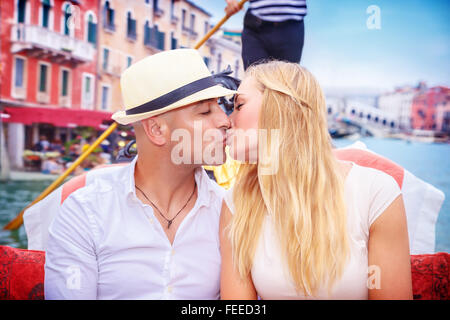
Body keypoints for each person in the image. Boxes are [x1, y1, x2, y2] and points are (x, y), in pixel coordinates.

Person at [44, 49, 236, 299]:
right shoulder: (84, 212)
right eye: (204, 112)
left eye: (221, 108)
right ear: (156, 129)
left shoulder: (230, 209)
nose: (225, 121)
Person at [219, 61, 412, 299]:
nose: (227, 121)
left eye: (239, 106)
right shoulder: (236, 205)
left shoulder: (375, 193)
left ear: (280, 107)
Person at [225, 0, 307, 69]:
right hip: (255, 28)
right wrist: (231, 1)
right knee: (254, 81)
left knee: (285, 83)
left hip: (291, 29)